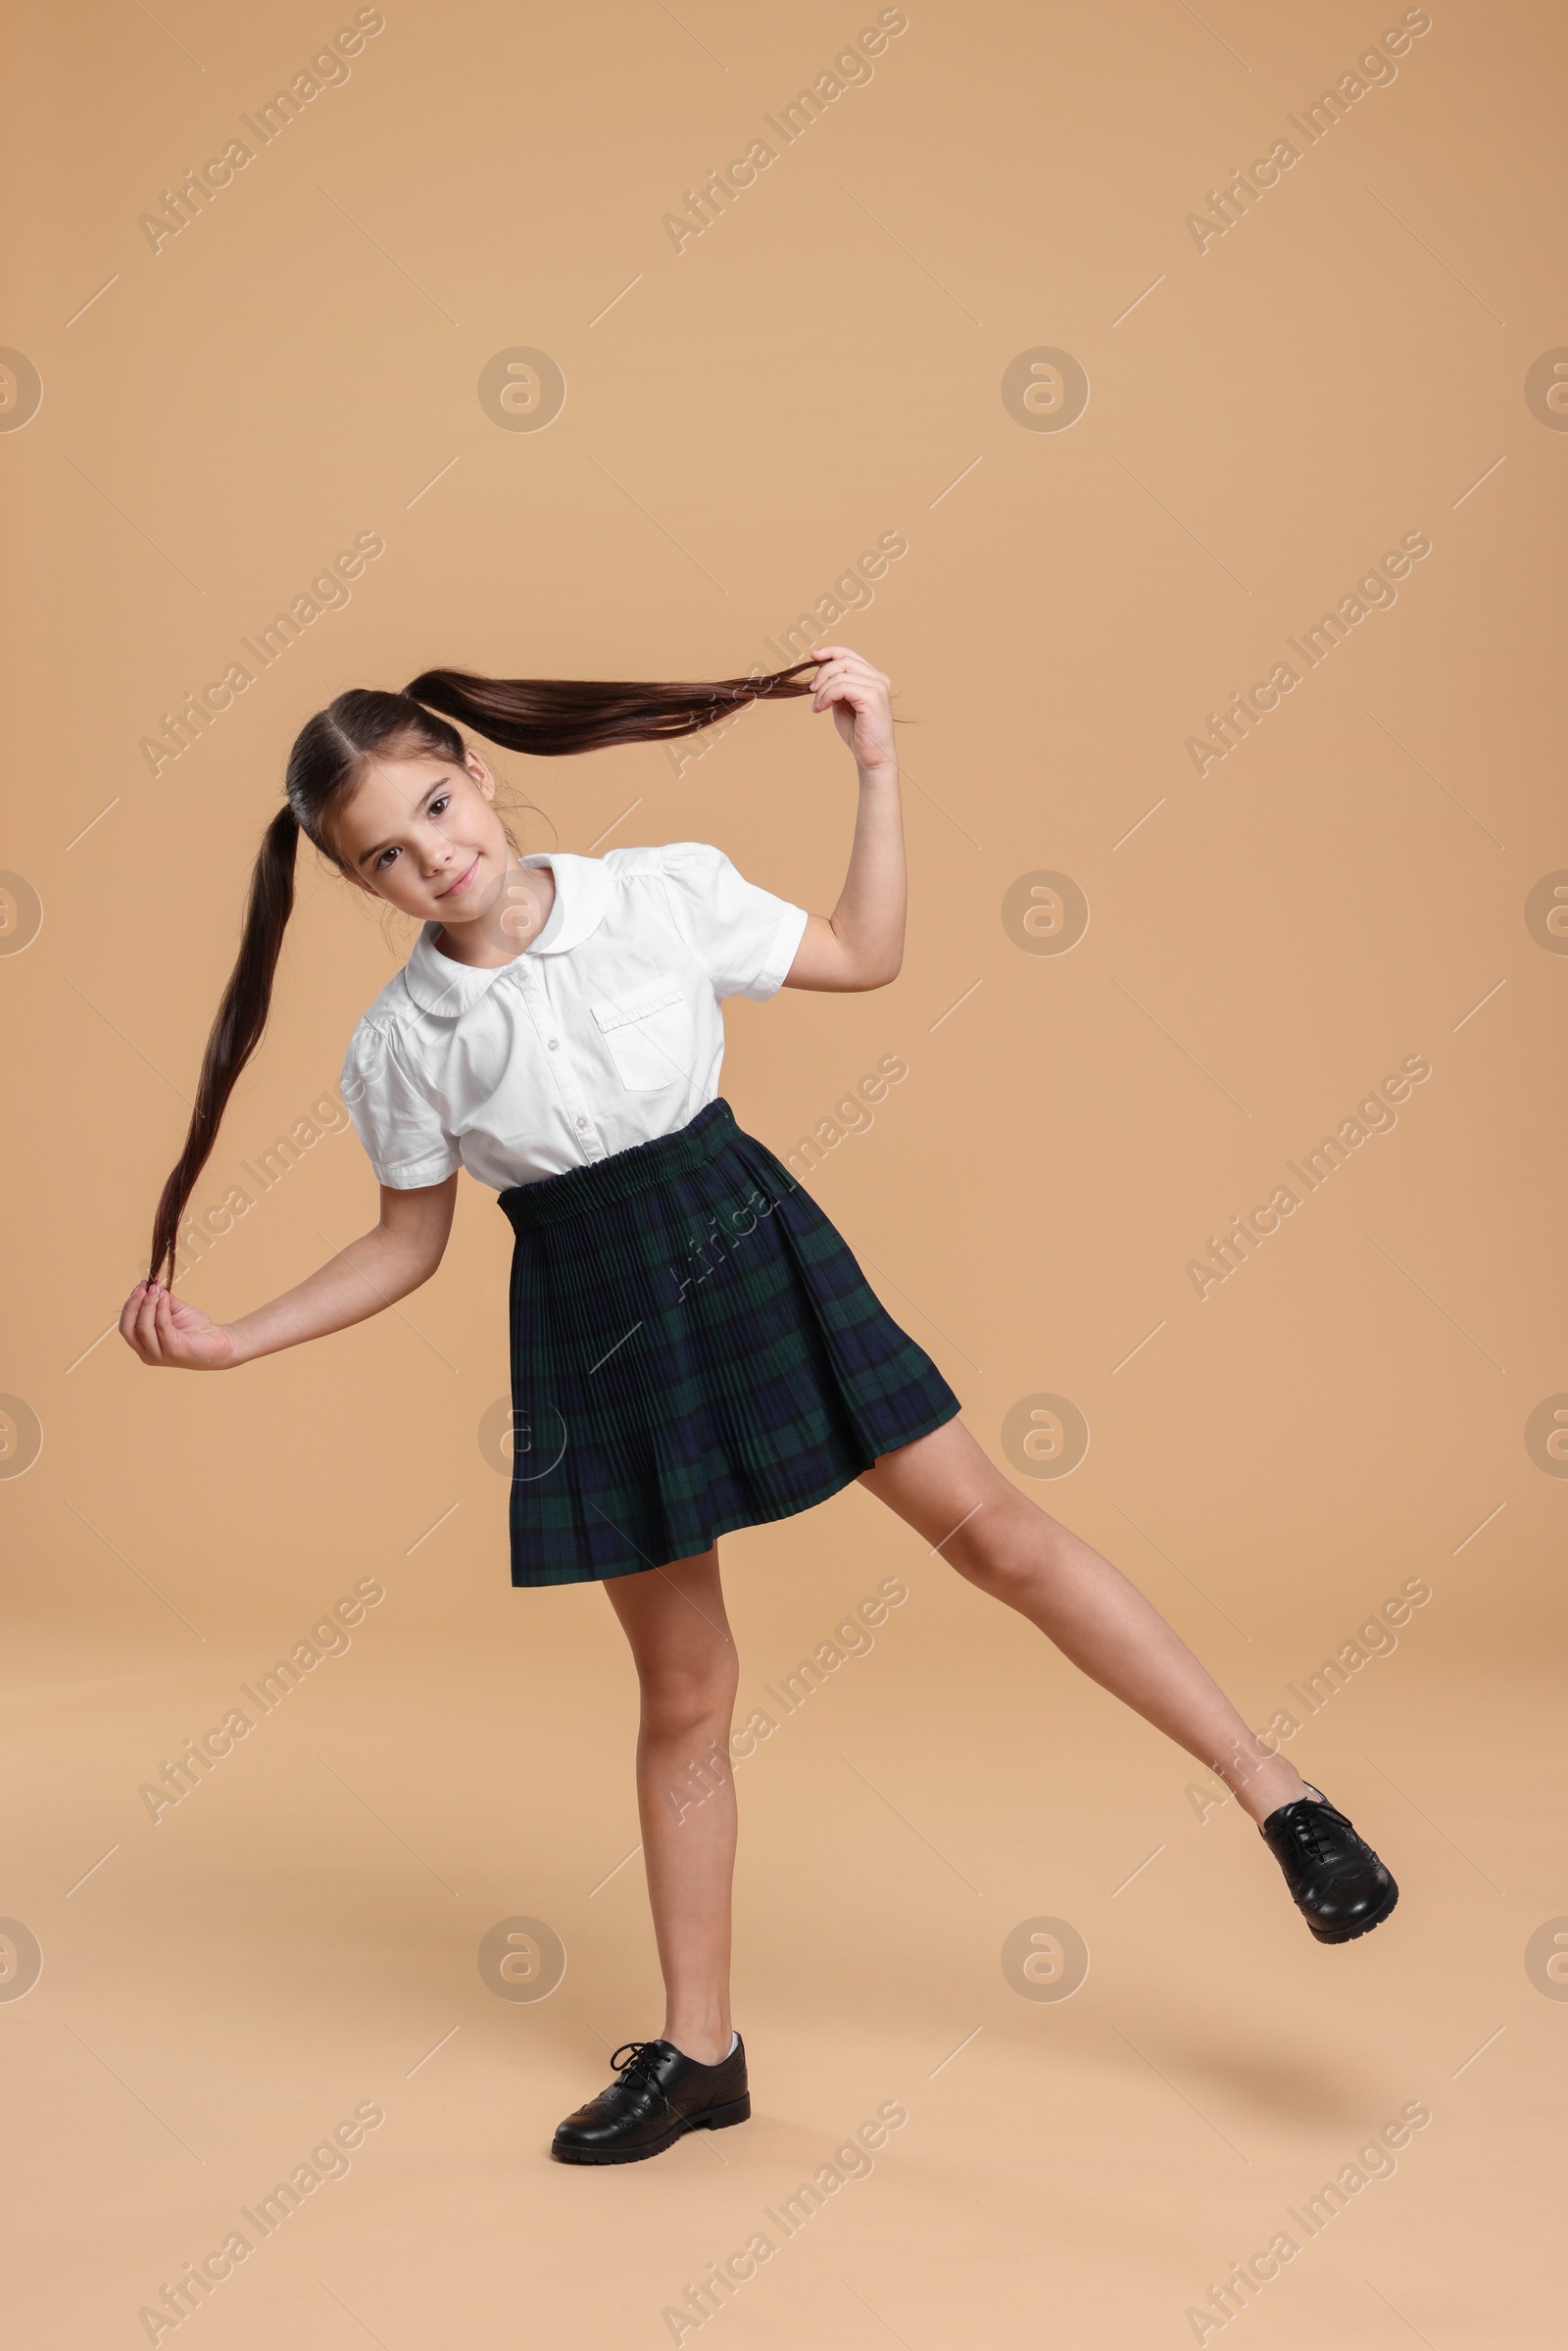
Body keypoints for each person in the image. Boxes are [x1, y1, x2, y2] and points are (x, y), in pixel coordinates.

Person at [120, 644, 1398, 2167]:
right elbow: (409, 1243)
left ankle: (1282, 1800)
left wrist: (873, 769)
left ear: (475, 770)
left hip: (744, 1236)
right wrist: (239, 1340)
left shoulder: (657, 892)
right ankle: (701, 2053)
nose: (437, 856)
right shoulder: (400, 1045)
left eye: (441, 806)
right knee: (686, 1695)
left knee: (995, 1534)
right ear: (358, 879)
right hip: (590, 1316)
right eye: (387, 855)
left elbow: (865, 953)